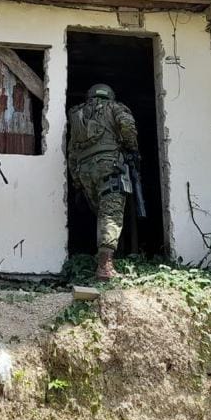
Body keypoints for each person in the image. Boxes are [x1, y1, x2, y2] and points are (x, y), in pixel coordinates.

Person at [67, 83, 139, 281]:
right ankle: (105, 267)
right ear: (110, 95)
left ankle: (104, 258)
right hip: (109, 166)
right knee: (111, 214)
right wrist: (130, 147)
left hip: (85, 171)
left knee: (101, 213)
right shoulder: (115, 108)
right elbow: (128, 126)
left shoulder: (77, 114)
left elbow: (72, 152)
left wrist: (77, 181)